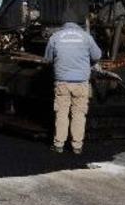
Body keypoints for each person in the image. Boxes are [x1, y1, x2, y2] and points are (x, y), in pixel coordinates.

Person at [43, 20, 102, 155]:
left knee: (61, 113)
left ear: (63, 27)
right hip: (81, 83)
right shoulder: (86, 37)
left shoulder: (55, 37)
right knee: (79, 114)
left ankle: (59, 145)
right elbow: (97, 55)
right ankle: (77, 146)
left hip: (62, 82)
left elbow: (48, 59)